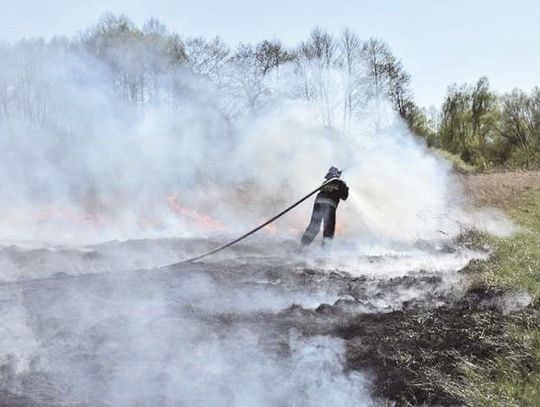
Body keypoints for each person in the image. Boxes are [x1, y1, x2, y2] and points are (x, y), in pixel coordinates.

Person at [301, 166, 349, 247]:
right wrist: (346, 188)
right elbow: (344, 197)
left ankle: (303, 245)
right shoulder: (340, 183)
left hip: (318, 205)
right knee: (329, 228)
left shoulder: (325, 182)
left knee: (314, 225)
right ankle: (325, 250)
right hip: (330, 206)